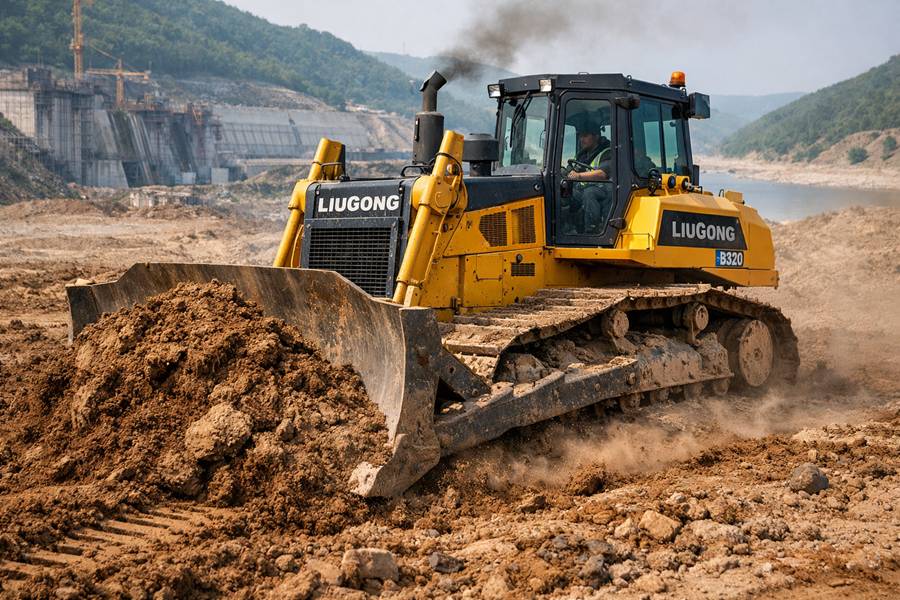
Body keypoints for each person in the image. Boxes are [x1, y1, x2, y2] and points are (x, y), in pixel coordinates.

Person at [564, 119, 613, 233]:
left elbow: (602, 174)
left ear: (596, 136)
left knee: (589, 193)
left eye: (585, 136)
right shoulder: (582, 154)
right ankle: (566, 228)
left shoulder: (607, 152)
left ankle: (592, 231)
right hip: (582, 189)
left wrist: (578, 176)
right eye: (580, 136)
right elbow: (571, 170)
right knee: (562, 191)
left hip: (605, 191)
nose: (582, 139)